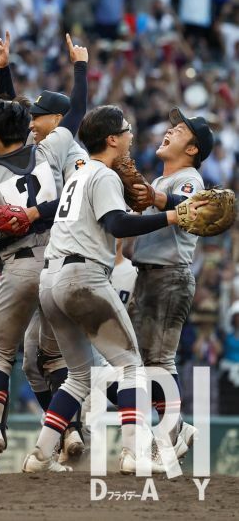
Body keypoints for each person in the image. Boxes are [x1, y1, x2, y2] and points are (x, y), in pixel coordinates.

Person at [23, 105, 205, 473]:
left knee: (80, 376)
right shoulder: (103, 175)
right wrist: (169, 212)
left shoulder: (78, 174)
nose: (131, 136)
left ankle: (38, 455)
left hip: (51, 282)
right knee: (132, 367)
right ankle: (135, 453)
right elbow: (118, 225)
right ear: (111, 139)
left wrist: (161, 202)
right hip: (83, 277)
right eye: (125, 130)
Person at [0, 34, 88, 469]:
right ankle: (70, 432)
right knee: (53, 357)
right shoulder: (49, 151)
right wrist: (80, 68)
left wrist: (5, 225)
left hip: (19, 266)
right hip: (59, 264)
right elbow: (18, 120)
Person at [124, 107, 214, 458]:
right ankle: (174, 428)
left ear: (192, 149)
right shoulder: (160, 181)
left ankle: (175, 430)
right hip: (147, 274)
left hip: (170, 275)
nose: (170, 130)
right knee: (138, 362)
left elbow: (197, 206)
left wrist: (158, 198)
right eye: (172, 126)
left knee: (159, 361)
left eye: (179, 131)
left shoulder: (188, 177)